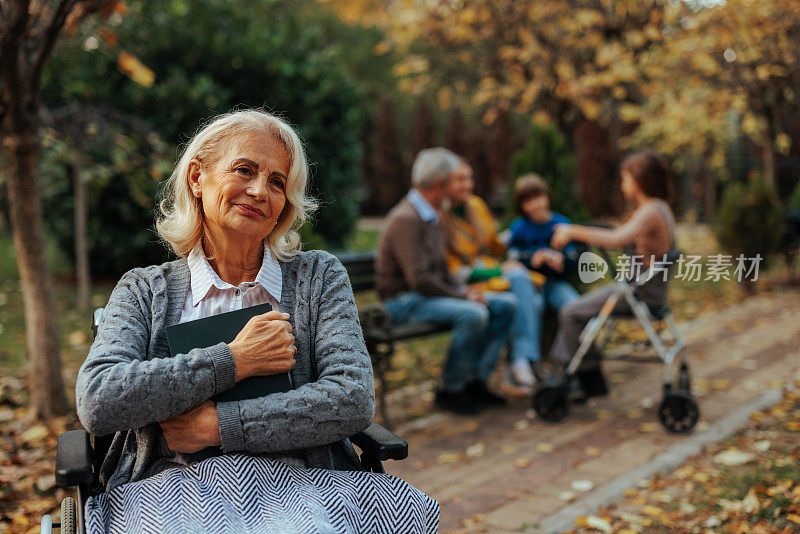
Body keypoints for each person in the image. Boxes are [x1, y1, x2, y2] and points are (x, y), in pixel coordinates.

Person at [76, 110, 438, 533]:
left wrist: (219, 426)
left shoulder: (317, 277)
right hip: (168, 487)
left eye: (277, 182)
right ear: (197, 177)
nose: (260, 191)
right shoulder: (143, 290)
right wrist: (234, 360)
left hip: (304, 484)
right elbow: (99, 399)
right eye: (244, 170)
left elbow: (351, 397)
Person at [376, 147, 517, 415]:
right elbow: (419, 280)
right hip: (403, 301)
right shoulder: (406, 219)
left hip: (427, 296)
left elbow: (440, 271)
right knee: (473, 314)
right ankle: (451, 388)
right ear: (440, 184)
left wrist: (467, 289)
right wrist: (464, 295)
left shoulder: (432, 215)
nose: (458, 186)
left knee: (505, 304)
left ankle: (476, 380)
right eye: (453, 180)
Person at [549, 151, 677, 399]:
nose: (622, 185)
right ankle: (589, 374)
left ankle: (579, 373)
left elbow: (618, 239)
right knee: (578, 310)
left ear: (639, 181)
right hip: (648, 290)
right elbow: (624, 233)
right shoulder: (661, 208)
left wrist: (573, 231)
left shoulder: (650, 211)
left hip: (637, 294)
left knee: (570, 311)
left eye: (625, 179)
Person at [440, 161, 548, 391]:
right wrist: (500, 270)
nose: (468, 184)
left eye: (469, 178)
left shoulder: (476, 205)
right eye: (460, 179)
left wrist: (520, 233)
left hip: (490, 274)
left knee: (532, 298)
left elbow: (494, 245)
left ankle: (517, 365)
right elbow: (454, 271)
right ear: (445, 182)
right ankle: (523, 362)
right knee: (525, 289)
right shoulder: (440, 216)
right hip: (470, 281)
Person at [506, 174, 581, 385]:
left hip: (556, 284)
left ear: (546, 197)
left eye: (538, 197)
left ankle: (567, 363)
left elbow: (573, 260)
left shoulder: (561, 224)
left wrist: (562, 262)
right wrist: (533, 259)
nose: (535, 204)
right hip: (531, 285)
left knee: (573, 306)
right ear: (521, 205)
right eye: (528, 200)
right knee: (533, 307)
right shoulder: (519, 228)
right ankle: (532, 363)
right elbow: (512, 258)